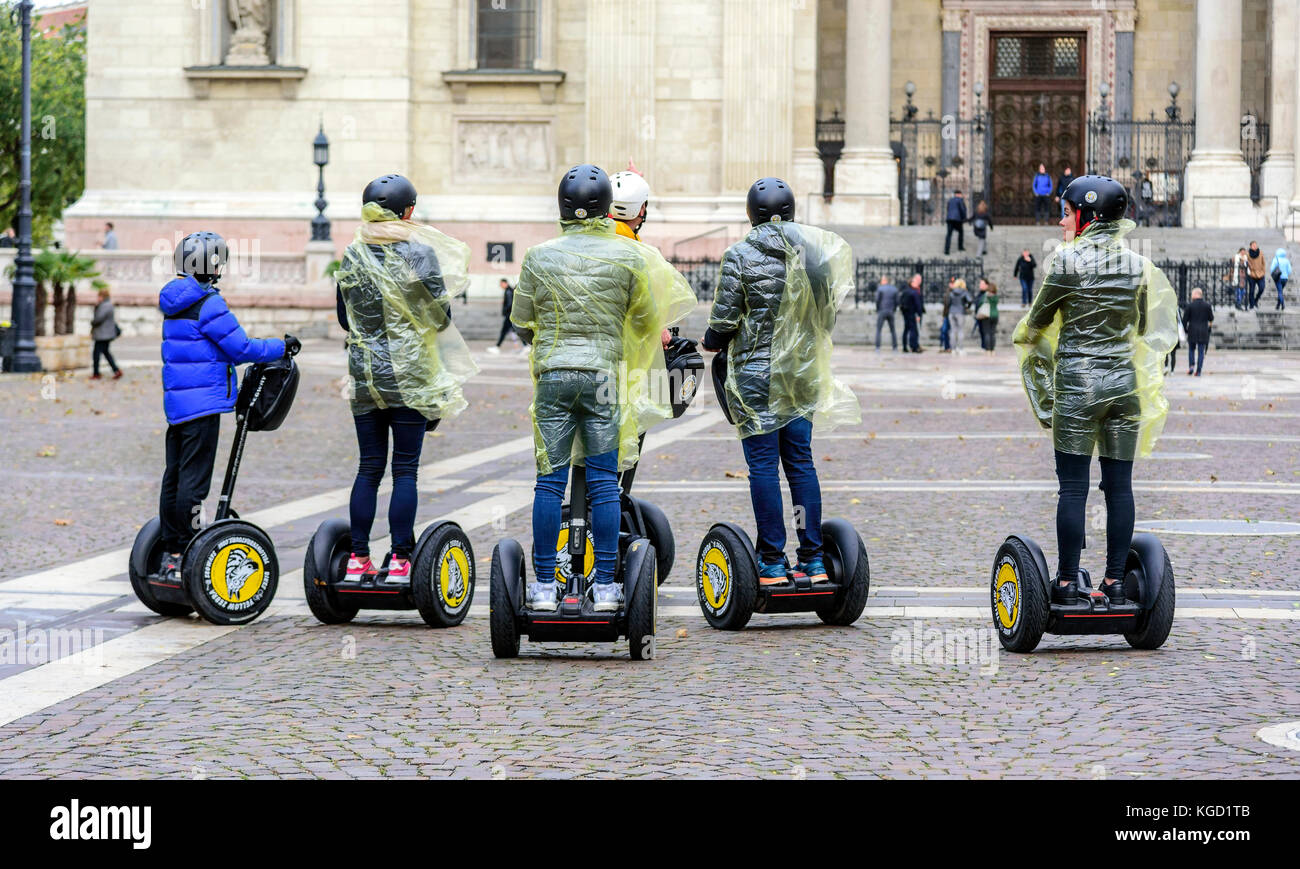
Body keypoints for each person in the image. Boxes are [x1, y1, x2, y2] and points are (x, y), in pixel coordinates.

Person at [512, 164, 694, 612]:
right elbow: (649, 323)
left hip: (554, 377)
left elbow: (520, 321)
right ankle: (610, 588)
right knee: (604, 485)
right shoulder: (629, 257)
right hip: (604, 382)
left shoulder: (538, 256)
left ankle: (543, 586)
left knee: (549, 483)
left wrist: (546, 338)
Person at [1013, 174, 1177, 604]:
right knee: (1119, 488)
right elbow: (1142, 326)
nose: (1062, 223)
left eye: (1067, 214)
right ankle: (1116, 581)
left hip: (1078, 387)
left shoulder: (1065, 263)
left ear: (1087, 217)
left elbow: (1035, 323)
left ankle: (1067, 582)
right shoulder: (1137, 266)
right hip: (1123, 387)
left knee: (1073, 488)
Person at [702, 177, 860, 585]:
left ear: (752, 215)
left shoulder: (739, 255)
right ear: (792, 212)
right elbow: (826, 316)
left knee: (762, 468)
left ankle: (771, 560)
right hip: (801, 377)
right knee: (801, 465)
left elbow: (722, 323)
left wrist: (711, 341)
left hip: (756, 380)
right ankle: (813, 559)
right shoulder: (815, 256)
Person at [333, 174, 479, 581]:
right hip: (410, 376)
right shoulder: (419, 254)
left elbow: (345, 318)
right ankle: (400, 559)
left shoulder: (353, 254)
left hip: (365, 376)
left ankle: (357, 558)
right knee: (405, 470)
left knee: (368, 468)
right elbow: (440, 317)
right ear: (409, 210)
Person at [157, 232, 295, 585]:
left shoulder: (174, 302)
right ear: (211, 267)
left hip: (179, 405)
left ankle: (171, 551)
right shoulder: (208, 303)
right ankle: (187, 548)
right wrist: (282, 347)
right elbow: (241, 348)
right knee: (194, 482)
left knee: (174, 477)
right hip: (204, 406)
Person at [90, 286, 122, 380]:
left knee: (96, 353)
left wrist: (92, 321)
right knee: (105, 353)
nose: (98, 298)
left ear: (102, 296)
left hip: (103, 335)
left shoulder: (105, 306)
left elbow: (98, 319)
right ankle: (116, 370)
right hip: (105, 334)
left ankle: (96, 373)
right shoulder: (107, 305)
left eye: (99, 296)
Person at [1182, 287, 1213, 376]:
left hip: (1192, 331)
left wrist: (1185, 330)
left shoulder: (1190, 306)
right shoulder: (1207, 306)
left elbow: (1185, 320)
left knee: (1191, 349)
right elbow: (1211, 318)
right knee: (1201, 351)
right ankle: (1198, 371)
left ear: (1195, 294)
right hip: (1203, 331)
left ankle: (1191, 366)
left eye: (1192, 294)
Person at [488, 277, 520, 354]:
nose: (500, 286)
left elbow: (509, 304)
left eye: (501, 284)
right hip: (511, 315)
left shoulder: (508, 291)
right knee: (513, 331)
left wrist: (505, 311)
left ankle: (497, 347)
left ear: (504, 283)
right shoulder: (510, 290)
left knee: (504, 331)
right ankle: (523, 346)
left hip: (509, 315)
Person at [900, 273, 925, 353]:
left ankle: (905, 346)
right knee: (913, 330)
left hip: (906, 313)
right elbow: (918, 304)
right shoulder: (914, 292)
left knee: (907, 330)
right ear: (911, 283)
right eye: (915, 281)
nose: (917, 283)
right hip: (911, 313)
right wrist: (918, 314)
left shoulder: (906, 291)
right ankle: (914, 346)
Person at [874, 274, 899, 351]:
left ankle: (877, 347)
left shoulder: (880, 289)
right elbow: (897, 301)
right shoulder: (894, 289)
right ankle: (895, 347)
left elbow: (877, 300)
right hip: (890, 311)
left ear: (884, 280)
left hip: (882, 310)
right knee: (893, 330)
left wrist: (878, 309)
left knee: (878, 330)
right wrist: (893, 309)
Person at [947, 277, 971, 353]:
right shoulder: (964, 292)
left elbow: (948, 303)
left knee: (953, 331)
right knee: (960, 330)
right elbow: (970, 300)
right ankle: (960, 348)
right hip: (960, 312)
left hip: (951, 312)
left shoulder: (952, 292)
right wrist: (966, 306)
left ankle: (953, 349)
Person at [975, 278, 999, 353]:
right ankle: (993, 350)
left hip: (986, 315)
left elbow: (979, 303)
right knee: (993, 333)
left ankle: (988, 349)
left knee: (987, 333)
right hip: (995, 315)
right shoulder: (996, 296)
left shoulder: (986, 296)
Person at [944, 190, 967, 255]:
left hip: (949, 219)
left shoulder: (950, 200)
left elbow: (948, 209)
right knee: (961, 232)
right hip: (957, 219)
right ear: (959, 194)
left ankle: (946, 250)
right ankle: (960, 247)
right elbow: (962, 210)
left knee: (949, 234)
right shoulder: (960, 200)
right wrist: (964, 218)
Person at [1245, 241, 1266, 309]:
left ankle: (1256, 300)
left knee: (1262, 288)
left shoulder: (1260, 252)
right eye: (1253, 245)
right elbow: (1246, 263)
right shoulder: (1247, 254)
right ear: (1250, 246)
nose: (1255, 246)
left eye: (1256, 245)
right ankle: (1251, 305)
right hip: (1252, 275)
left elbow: (1263, 263)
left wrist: (1263, 271)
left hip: (1260, 274)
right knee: (1251, 290)